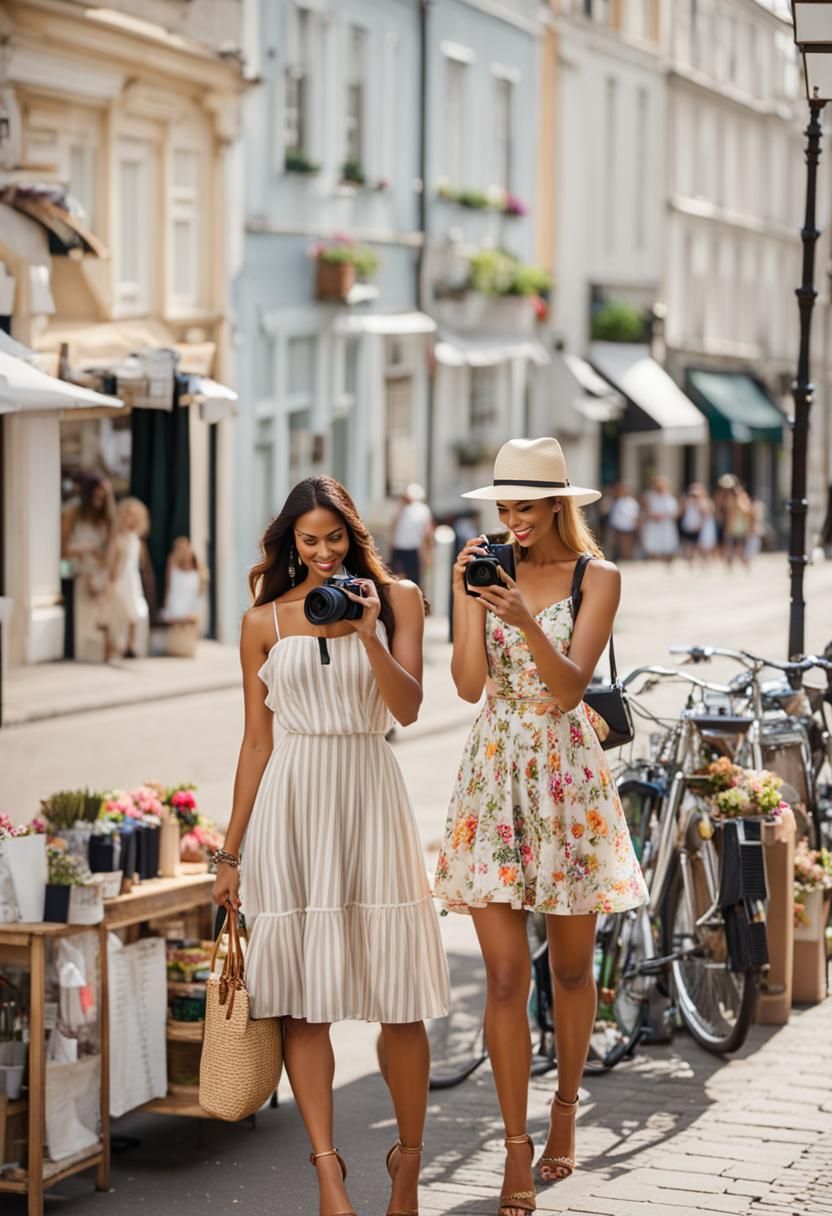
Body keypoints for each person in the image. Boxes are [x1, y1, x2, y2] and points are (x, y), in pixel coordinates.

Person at [212, 475, 449, 1216]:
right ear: (290, 542)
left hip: (370, 791)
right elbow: (255, 743)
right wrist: (229, 852)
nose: (321, 553)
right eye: (308, 541)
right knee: (302, 1008)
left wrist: (365, 633)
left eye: (334, 538)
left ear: (354, 534)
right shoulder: (263, 623)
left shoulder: (400, 599)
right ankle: (327, 1173)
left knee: (399, 999)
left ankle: (407, 1163)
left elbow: (406, 707)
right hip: (292, 802)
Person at [434, 438, 648, 1216]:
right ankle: (515, 1150)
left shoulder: (600, 578)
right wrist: (463, 596)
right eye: (503, 508)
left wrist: (525, 620)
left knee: (566, 972)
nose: (512, 522)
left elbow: (566, 690)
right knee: (502, 977)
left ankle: (565, 1109)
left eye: (526, 506)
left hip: (566, 779)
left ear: (559, 504)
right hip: (493, 775)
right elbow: (464, 686)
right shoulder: (484, 571)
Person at [60, 472, 117, 662]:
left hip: (98, 574)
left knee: (104, 608)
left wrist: (103, 573)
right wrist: (85, 550)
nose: (100, 500)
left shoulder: (107, 519)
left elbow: (109, 554)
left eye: (105, 496)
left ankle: (106, 647)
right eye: (98, 494)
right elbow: (61, 548)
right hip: (77, 572)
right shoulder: (74, 512)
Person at [111, 497, 151, 658]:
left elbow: (142, 563)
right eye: (127, 514)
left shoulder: (136, 539)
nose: (129, 518)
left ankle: (131, 644)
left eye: (133, 515)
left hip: (132, 578)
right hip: (120, 577)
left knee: (135, 610)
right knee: (119, 610)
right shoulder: (117, 537)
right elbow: (114, 560)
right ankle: (119, 644)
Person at [390, 483, 434, 588]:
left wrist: (427, 553)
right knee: (398, 579)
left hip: (413, 549)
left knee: (412, 580)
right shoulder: (400, 509)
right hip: (400, 548)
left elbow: (427, 533)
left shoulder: (422, 509)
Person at [640, 476, 679, 563]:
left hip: (666, 525)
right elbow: (647, 510)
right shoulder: (651, 497)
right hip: (654, 524)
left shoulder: (670, 498)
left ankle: (667, 560)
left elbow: (674, 513)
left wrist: (663, 516)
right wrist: (654, 516)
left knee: (668, 544)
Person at [606, 482, 640, 561]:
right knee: (618, 545)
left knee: (627, 544)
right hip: (618, 527)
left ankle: (628, 558)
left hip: (628, 527)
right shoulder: (617, 501)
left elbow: (634, 515)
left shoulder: (632, 502)